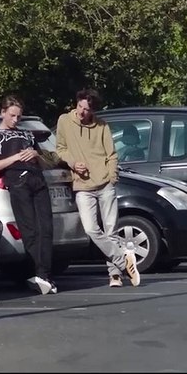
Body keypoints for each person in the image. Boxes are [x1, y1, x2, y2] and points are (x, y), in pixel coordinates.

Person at [54, 88, 139, 287]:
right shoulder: (64, 121)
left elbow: (111, 154)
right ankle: (123, 259)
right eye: (80, 107)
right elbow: (60, 149)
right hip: (82, 185)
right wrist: (73, 163)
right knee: (92, 229)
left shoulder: (101, 125)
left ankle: (115, 275)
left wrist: (112, 177)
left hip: (105, 183)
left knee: (111, 231)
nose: (82, 112)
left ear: (93, 110)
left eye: (87, 110)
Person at [0, 94, 57, 295]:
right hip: (17, 181)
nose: (15, 120)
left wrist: (36, 154)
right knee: (29, 229)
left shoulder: (27, 134)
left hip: (37, 179)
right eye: (12, 116)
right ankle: (40, 273)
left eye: (18, 117)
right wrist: (15, 157)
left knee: (46, 227)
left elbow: (49, 160)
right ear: (3, 113)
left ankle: (45, 274)